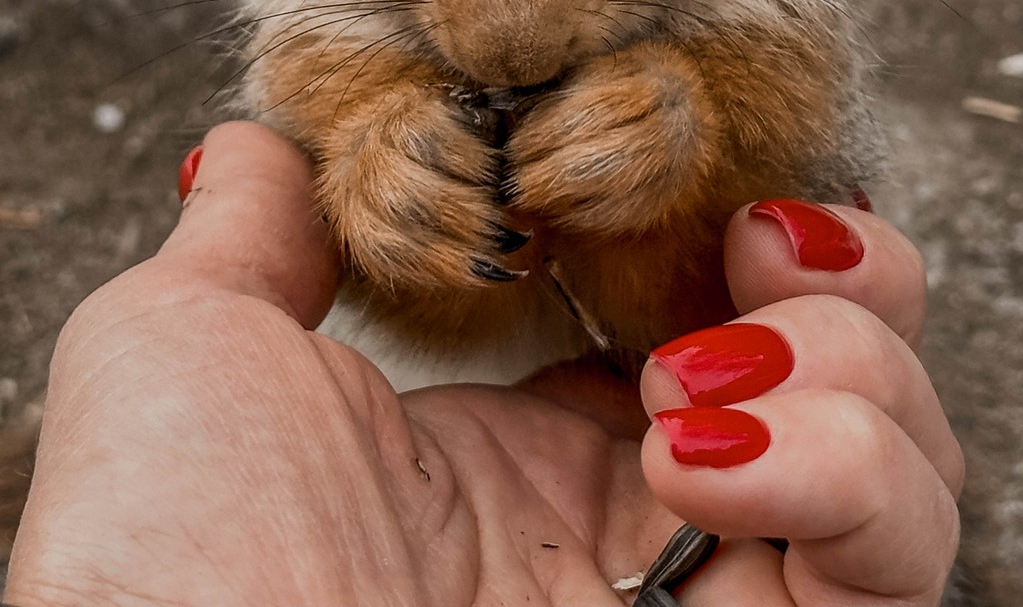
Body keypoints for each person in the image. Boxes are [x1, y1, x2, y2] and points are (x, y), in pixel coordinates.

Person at [6, 120, 962, 606]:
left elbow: (775, 145)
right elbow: (403, 291)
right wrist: (378, 182)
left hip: (658, 422)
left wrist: (686, 141)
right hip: (398, 431)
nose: (509, 29)